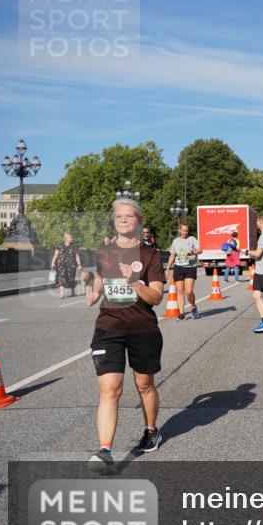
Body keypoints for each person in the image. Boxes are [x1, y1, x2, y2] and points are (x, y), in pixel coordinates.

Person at [85, 198, 167, 473]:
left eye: (129, 216)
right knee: (110, 390)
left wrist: (133, 282)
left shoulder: (150, 255)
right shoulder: (104, 252)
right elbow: (100, 278)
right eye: (118, 216)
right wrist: (94, 292)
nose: (123, 219)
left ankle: (151, 430)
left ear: (138, 221)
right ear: (113, 221)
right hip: (108, 328)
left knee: (144, 385)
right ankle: (105, 451)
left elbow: (156, 297)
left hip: (143, 328)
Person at [166, 222, 202, 320]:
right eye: (183, 230)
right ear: (179, 230)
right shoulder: (175, 241)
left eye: (187, 231)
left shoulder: (192, 239)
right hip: (178, 267)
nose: (185, 232)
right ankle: (181, 314)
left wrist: (191, 252)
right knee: (180, 291)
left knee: (189, 291)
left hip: (190, 267)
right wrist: (168, 268)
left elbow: (200, 250)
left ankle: (193, 307)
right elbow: (172, 255)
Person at [51, 233, 81, 298]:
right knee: (61, 278)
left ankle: (73, 292)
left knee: (71, 278)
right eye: (70, 237)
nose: (72, 239)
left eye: (72, 237)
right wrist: (53, 263)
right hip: (61, 265)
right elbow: (56, 255)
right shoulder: (60, 246)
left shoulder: (74, 246)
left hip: (71, 265)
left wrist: (79, 265)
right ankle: (62, 294)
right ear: (66, 238)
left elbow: (77, 256)